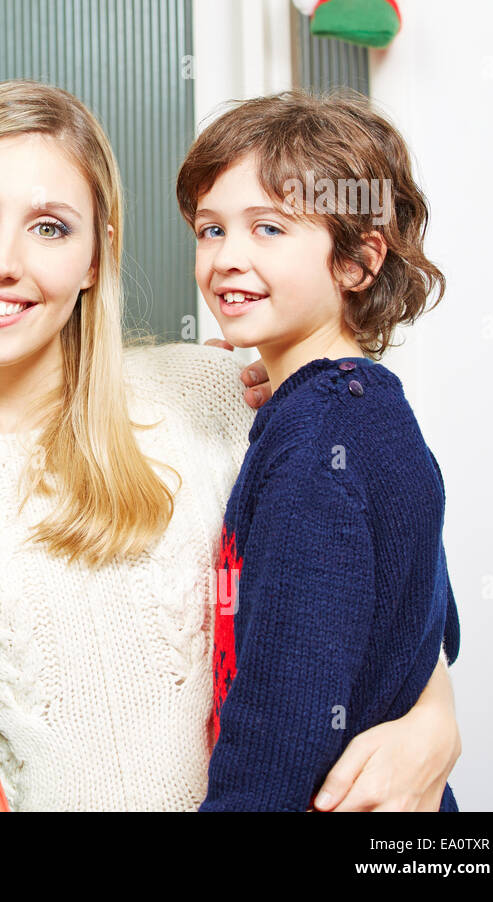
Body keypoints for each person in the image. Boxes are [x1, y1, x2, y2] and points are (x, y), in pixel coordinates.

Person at [0, 80, 461, 811]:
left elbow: (402, 587)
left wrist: (432, 722)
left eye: (50, 227)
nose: (2, 260)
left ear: (97, 258)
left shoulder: (225, 389)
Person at [178, 91, 460, 810]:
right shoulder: (370, 410)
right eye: (211, 230)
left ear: (357, 263)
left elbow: (282, 715)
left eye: (268, 228)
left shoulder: (317, 442)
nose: (226, 258)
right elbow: (437, 623)